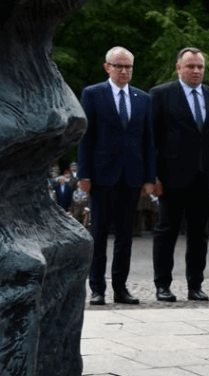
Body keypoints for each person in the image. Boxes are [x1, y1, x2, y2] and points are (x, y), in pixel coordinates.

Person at [149, 47, 209, 302]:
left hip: (205, 178)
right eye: (190, 66)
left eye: (200, 67)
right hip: (170, 178)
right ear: (178, 68)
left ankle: (195, 285)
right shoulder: (160, 95)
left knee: (199, 234)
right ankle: (163, 285)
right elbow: (151, 138)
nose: (196, 71)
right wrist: (153, 176)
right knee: (166, 232)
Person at [77, 46, 156, 306]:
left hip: (132, 176)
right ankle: (97, 288)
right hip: (101, 176)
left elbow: (148, 140)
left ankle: (120, 287)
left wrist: (149, 177)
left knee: (125, 236)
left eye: (128, 67)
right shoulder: (93, 94)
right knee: (98, 234)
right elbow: (86, 137)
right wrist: (84, 174)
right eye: (119, 66)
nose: (124, 71)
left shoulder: (143, 98)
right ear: (107, 67)